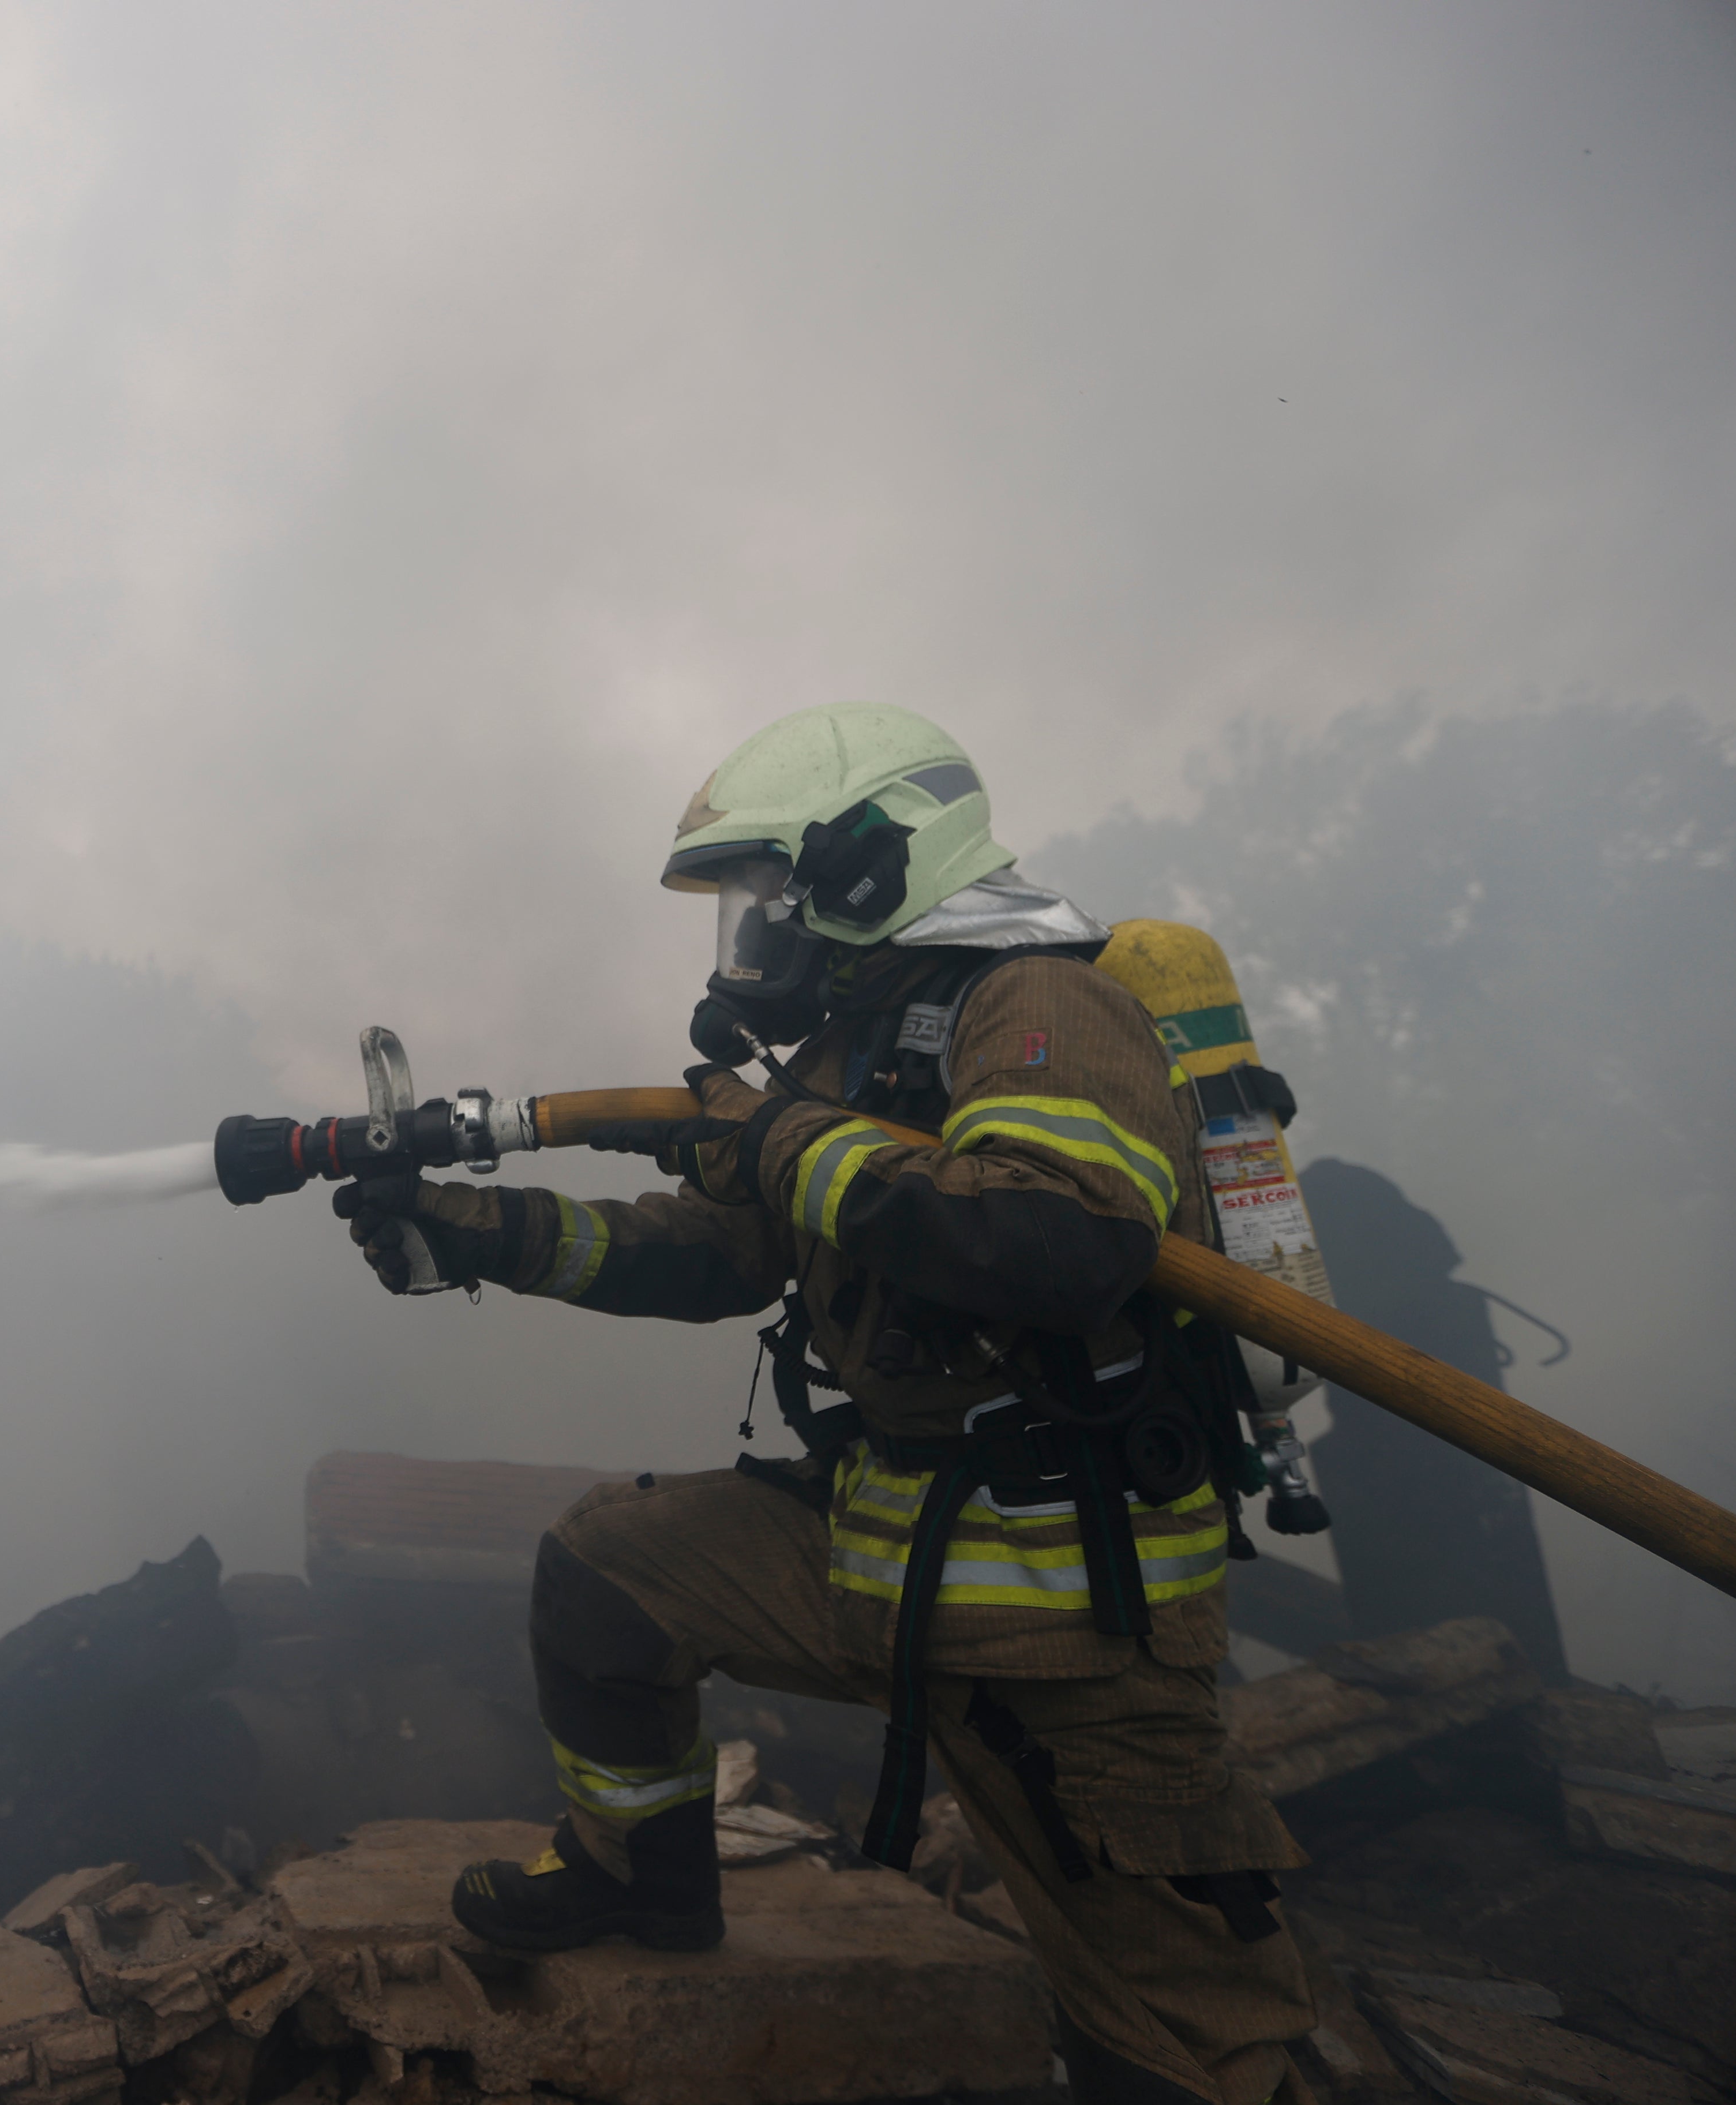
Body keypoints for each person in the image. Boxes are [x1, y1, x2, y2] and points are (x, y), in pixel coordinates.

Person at [335, 704, 1317, 2105]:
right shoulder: (859, 1054)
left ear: (867, 867)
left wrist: (781, 1132)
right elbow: (725, 1251)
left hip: (1070, 1617)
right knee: (610, 1574)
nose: (750, 935)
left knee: (1178, 2038)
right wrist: (476, 1231)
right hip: (886, 1548)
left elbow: (1055, 1239)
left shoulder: (1040, 1005)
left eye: (763, 894)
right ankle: (644, 1876)